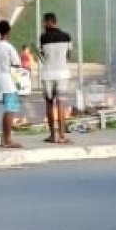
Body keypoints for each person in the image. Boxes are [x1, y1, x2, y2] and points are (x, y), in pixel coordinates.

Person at [39, 12, 72, 144]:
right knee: (61, 104)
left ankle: (53, 135)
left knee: (49, 103)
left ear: (49, 22)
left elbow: (43, 55)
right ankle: (62, 135)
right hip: (63, 73)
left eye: (44, 22)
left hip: (48, 74)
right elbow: (69, 55)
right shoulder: (67, 36)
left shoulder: (43, 37)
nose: (43, 25)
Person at [0, 20, 23, 149]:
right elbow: (17, 62)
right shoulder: (8, 46)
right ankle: (7, 140)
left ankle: (3, 139)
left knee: (7, 109)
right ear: (8, 31)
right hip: (7, 78)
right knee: (10, 110)